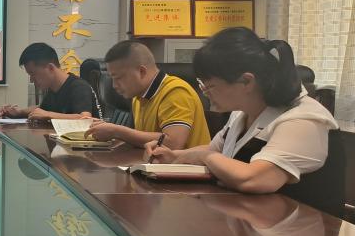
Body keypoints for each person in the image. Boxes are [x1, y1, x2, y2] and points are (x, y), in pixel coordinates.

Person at [144, 28, 342, 214]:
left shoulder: (303, 120)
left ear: (247, 81)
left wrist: (205, 158)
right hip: (250, 219)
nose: (205, 93)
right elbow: (216, 150)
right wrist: (174, 157)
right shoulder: (242, 112)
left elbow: (255, 179)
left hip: (296, 229)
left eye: (210, 86)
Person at [85, 40, 210, 149]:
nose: (114, 85)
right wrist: (109, 131)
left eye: (118, 78)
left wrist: (117, 131)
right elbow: (142, 140)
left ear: (141, 71)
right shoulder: (138, 97)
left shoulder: (175, 92)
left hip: (187, 167)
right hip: (153, 164)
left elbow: (173, 143)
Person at [0, 42, 102, 120]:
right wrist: (19, 112)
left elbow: (85, 118)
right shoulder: (53, 88)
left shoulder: (79, 86)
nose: (31, 79)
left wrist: (48, 115)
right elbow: (41, 109)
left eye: (33, 74)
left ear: (50, 68)